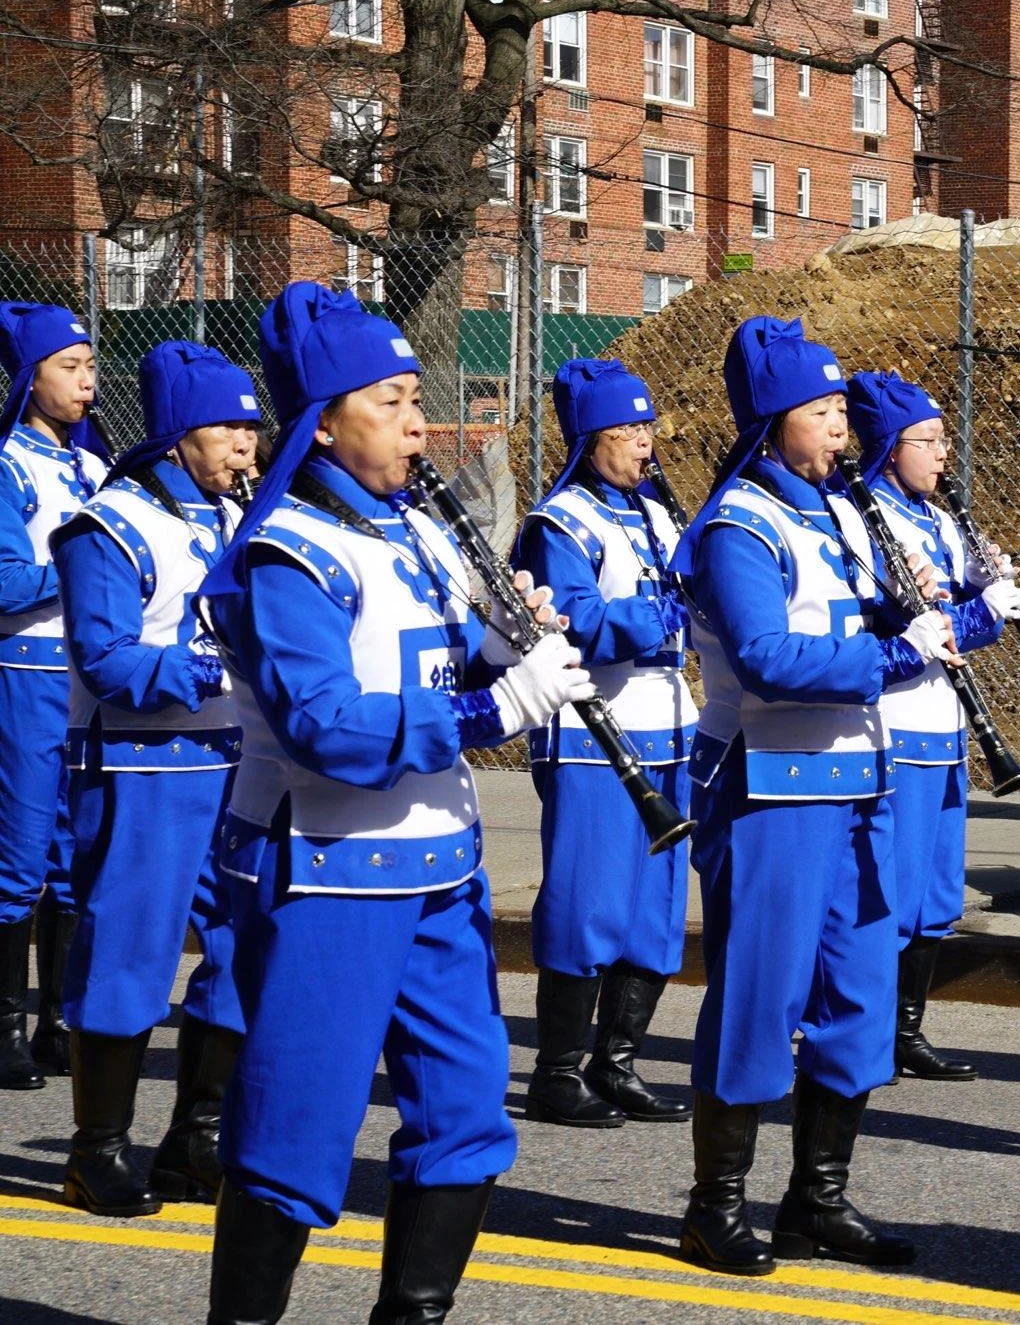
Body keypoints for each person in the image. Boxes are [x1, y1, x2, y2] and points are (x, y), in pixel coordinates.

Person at [198, 283, 593, 1322]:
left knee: (467, 1119)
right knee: (296, 1134)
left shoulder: (413, 532)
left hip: (438, 868)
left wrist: (507, 640)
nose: (419, 422)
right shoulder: (286, 553)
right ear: (322, 422)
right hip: (329, 870)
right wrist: (494, 706)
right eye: (391, 400)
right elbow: (327, 727)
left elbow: (440, 654)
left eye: (417, 397)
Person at [671, 316, 940, 1275]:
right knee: (758, 995)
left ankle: (816, 1198)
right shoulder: (739, 524)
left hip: (858, 783)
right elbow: (770, 657)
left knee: (858, 997)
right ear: (776, 418)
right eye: (824, 413)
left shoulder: (835, 515)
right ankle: (716, 1204)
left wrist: (947, 614)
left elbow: (861, 620)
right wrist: (899, 650)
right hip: (768, 787)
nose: (842, 430)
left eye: (840, 413)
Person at [49, 342, 257, 1217]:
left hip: (231, 766)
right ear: (177, 434)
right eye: (227, 429)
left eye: (253, 429)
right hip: (141, 765)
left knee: (243, 949)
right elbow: (106, 658)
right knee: (129, 956)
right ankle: (97, 1151)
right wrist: (216, 669)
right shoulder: (111, 525)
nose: (246, 446)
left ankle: (193, 1139)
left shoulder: (235, 516)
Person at [514, 359, 696, 1129]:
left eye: (649, 428)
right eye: (629, 431)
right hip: (594, 730)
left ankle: (616, 1061)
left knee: (654, 907)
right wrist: (663, 615)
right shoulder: (562, 523)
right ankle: (557, 1071)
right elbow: (574, 619)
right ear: (591, 439)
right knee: (588, 901)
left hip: (671, 725)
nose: (646, 444)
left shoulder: (657, 515)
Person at [845, 370, 1020, 1083]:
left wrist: (987, 588)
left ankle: (906, 1029)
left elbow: (954, 627)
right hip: (893, 725)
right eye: (928, 440)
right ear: (889, 447)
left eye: (944, 438)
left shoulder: (941, 520)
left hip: (942, 726)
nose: (944, 452)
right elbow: (895, 627)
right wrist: (984, 612)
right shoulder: (862, 516)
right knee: (893, 887)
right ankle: (869, 1027)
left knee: (934, 893)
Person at [0, 302, 104, 1090]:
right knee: (21, 852)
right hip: (26, 675)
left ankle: (57, 1020)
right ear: (29, 377)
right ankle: (3, 1022)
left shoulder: (96, 470)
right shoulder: (7, 465)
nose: (85, 383)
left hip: (86, 682)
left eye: (91, 367)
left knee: (76, 856)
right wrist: (73, 570)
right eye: (70, 367)